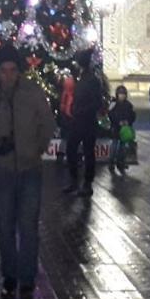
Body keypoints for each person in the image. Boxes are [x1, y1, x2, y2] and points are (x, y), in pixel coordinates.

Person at [0, 43, 56, 299]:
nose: (8, 75)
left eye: (12, 70)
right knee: (5, 227)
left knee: (28, 227)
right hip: (3, 171)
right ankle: (9, 277)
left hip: (30, 170)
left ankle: (27, 280)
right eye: (3, 70)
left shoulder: (32, 93)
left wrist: (37, 149)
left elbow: (48, 124)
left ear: (19, 71)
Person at [64, 48, 104, 196]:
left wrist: (80, 110)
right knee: (72, 149)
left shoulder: (92, 80)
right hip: (78, 121)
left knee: (88, 152)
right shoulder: (82, 78)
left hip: (86, 122)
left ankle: (86, 183)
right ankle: (75, 181)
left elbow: (97, 102)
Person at [108, 85, 136, 174]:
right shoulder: (113, 104)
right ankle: (111, 162)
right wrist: (118, 122)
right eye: (120, 94)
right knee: (114, 146)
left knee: (122, 148)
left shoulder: (128, 105)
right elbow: (111, 115)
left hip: (124, 130)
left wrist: (128, 122)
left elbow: (132, 116)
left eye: (123, 94)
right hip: (116, 129)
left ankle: (121, 163)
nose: (122, 96)